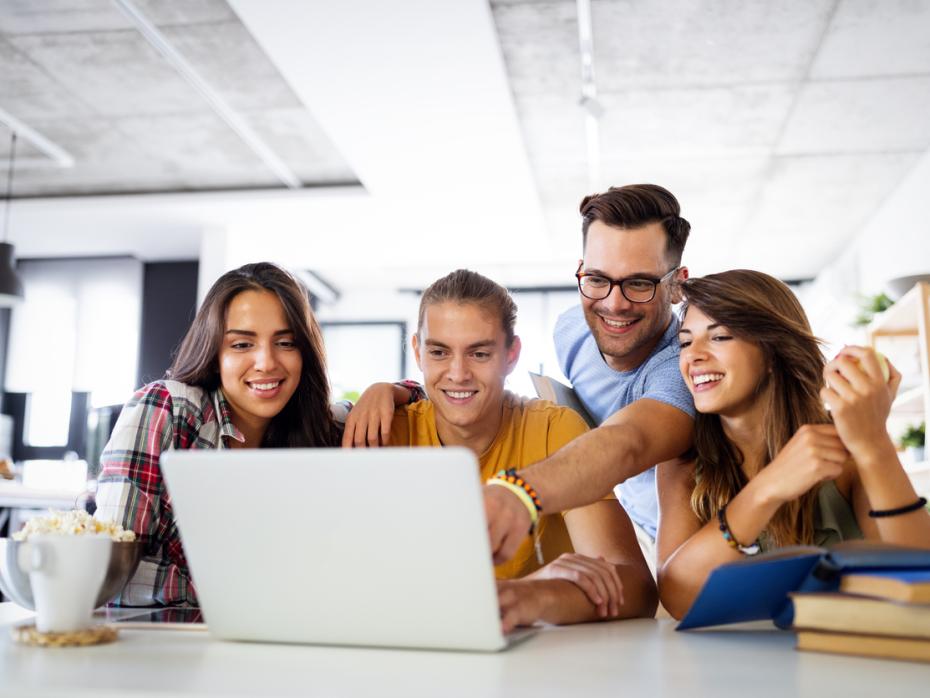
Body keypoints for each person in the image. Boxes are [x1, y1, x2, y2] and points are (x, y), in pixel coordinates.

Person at [94, 262, 400, 606]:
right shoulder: (170, 408)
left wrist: (387, 390)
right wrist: (247, 593)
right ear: (214, 354)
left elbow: (433, 400)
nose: (267, 362)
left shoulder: (318, 427)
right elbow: (109, 576)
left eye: (285, 342)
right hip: (164, 647)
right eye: (242, 345)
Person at [388, 269, 657, 630]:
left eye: (479, 353)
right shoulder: (387, 434)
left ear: (511, 354)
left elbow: (636, 589)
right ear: (418, 352)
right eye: (439, 352)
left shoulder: (552, 428)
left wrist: (532, 598)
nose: (457, 373)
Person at [656, 270, 930, 618]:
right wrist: (768, 488)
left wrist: (874, 443)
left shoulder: (843, 453)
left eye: (720, 337)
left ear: (772, 353)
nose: (692, 356)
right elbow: (678, 597)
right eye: (685, 341)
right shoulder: (680, 463)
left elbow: (921, 581)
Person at [483, 184, 695, 568]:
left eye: (639, 283)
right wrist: (405, 391)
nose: (614, 304)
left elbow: (629, 441)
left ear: (677, 284)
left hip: (694, 543)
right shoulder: (572, 331)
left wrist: (519, 492)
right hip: (627, 521)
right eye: (597, 279)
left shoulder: (685, 366)